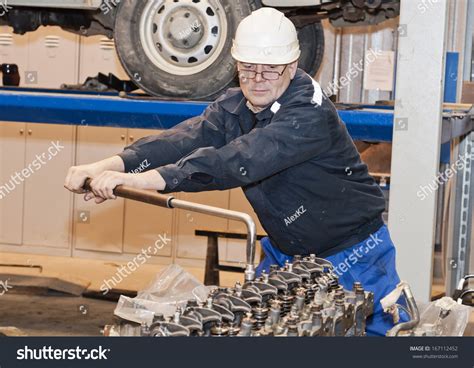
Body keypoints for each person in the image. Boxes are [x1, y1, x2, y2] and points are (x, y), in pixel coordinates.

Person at [65, 8, 405, 336]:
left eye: (269, 69)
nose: (257, 80)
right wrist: (109, 165)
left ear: (292, 66)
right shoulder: (237, 105)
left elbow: (238, 160)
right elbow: (182, 140)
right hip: (287, 254)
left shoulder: (308, 113)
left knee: (368, 337)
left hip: (354, 255)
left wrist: (142, 182)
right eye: (247, 68)